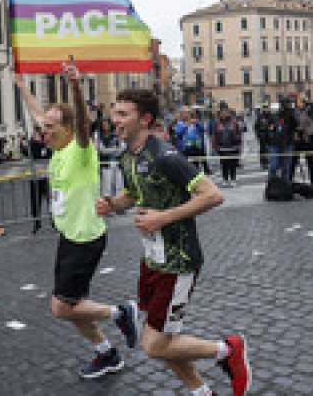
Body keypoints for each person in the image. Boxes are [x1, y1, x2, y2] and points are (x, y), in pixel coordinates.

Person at [97, 89, 250, 396]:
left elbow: (212, 195)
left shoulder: (165, 156)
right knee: (167, 340)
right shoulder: (128, 156)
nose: (115, 120)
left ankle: (227, 350)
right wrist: (112, 204)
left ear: (146, 119)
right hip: (152, 259)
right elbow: (134, 193)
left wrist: (163, 218)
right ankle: (201, 392)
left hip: (178, 261)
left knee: (154, 344)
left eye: (123, 114)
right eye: (115, 113)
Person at [15, 64, 139, 380]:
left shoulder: (80, 150)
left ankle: (121, 313)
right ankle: (107, 354)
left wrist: (75, 85)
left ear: (68, 129)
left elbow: (84, 123)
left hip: (85, 239)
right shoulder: (56, 148)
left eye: (50, 127)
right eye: (43, 127)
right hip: (69, 237)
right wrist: (22, 86)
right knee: (74, 307)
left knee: (60, 307)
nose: (43, 131)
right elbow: (37, 113)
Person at [21, 127, 51, 234]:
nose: (35, 136)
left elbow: (48, 155)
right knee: (35, 200)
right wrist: (23, 143)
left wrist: (44, 145)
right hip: (35, 177)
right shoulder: (32, 144)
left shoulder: (46, 144)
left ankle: (54, 220)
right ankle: (37, 222)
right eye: (34, 134)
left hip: (46, 176)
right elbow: (29, 153)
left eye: (36, 134)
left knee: (50, 199)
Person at [211, 106, 242, 188]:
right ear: (220, 114)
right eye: (222, 112)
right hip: (222, 148)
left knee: (233, 165)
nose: (224, 114)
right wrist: (214, 147)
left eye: (225, 112)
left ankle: (233, 179)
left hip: (233, 147)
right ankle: (225, 179)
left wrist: (239, 145)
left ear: (228, 112)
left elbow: (239, 134)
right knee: (224, 164)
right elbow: (214, 135)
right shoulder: (217, 123)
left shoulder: (234, 122)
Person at [94, 118, 126, 198]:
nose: (105, 125)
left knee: (119, 185)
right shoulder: (98, 134)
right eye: (103, 123)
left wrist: (113, 150)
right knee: (106, 187)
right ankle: (107, 203)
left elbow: (122, 148)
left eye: (107, 123)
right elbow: (101, 150)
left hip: (118, 163)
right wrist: (114, 149)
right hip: (105, 164)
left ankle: (119, 203)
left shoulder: (116, 134)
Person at [290, 97, 313, 185]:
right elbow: (292, 125)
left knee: (310, 161)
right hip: (298, 139)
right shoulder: (294, 112)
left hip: (307, 139)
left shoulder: (310, 111)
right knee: (293, 161)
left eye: (300, 101)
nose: (298, 103)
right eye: (297, 101)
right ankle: (290, 179)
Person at [267, 98, 297, 181]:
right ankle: (271, 184)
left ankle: (285, 185)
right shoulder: (274, 116)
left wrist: (291, 114)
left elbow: (296, 125)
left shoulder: (291, 116)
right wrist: (271, 137)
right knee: (274, 166)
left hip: (287, 144)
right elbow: (269, 129)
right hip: (275, 144)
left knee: (286, 167)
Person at [254, 104, 271, 170]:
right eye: (265, 108)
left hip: (270, 137)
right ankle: (264, 163)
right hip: (262, 137)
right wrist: (259, 135)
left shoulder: (271, 116)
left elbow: (273, 125)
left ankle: (268, 161)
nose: (266, 109)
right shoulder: (260, 117)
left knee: (269, 150)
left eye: (267, 108)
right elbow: (256, 127)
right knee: (263, 150)